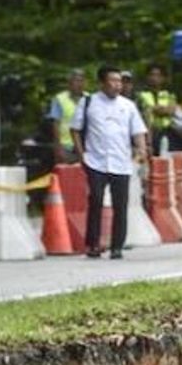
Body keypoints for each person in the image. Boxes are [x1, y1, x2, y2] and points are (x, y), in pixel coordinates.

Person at [70, 66, 148, 259]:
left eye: (119, 81)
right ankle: (93, 244)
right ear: (102, 83)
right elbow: (75, 129)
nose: (117, 85)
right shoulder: (88, 102)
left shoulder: (128, 105)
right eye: (112, 81)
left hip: (121, 162)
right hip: (95, 161)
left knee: (120, 205)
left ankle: (117, 246)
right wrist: (81, 155)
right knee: (95, 200)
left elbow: (138, 131)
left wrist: (142, 151)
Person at [49, 69, 87, 165]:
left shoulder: (89, 98)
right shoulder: (60, 99)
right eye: (76, 81)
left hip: (85, 147)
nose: (79, 84)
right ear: (69, 83)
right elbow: (55, 125)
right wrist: (58, 147)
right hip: (66, 146)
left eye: (81, 81)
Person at [139, 63, 178, 155]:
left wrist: (154, 109)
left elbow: (171, 111)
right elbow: (144, 113)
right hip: (148, 132)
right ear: (147, 77)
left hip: (166, 132)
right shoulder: (141, 94)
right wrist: (160, 109)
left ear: (163, 78)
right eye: (152, 75)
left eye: (158, 75)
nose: (154, 78)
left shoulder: (169, 94)